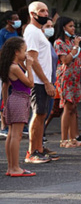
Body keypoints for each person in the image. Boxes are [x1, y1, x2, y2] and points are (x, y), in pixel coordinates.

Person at [22, 2, 58, 163]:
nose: (45, 13)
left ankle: (39, 149)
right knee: (37, 115)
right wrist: (46, 82)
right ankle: (32, 152)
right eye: (41, 11)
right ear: (32, 13)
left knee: (42, 115)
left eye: (46, 10)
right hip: (38, 82)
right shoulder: (32, 32)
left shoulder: (38, 31)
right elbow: (32, 60)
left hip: (43, 81)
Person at [2, 37, 38, 175]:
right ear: (17, 52)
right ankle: (15, 167)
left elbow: (5, 87)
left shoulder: (11, 65)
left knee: (11, 134)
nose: (26, 53)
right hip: (20, 99)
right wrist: (29, 65)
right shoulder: (15, 67)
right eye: (24, 50)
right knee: (16, 136)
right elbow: (30, 83)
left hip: (13, 99)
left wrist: (5, 105)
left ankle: (11, 167)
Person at [53, 17, 81, 148]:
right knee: (67, 107)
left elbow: (80, 60)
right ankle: (63, 139)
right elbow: (65, 60)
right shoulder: (59, 42)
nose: (74, 28)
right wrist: (76, 47)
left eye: (74, 26)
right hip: (65, 76)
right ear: (63, 28)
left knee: (73, 108)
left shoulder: (72, 42)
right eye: (70, 26)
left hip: (75, 76)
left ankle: (73, 138)